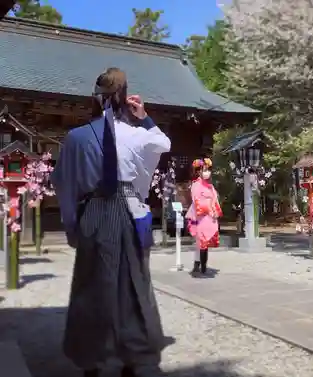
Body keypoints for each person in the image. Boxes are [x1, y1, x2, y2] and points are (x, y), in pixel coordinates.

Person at [51, 68, 171, 377]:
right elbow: (164, 144)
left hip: (93, 211)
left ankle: (91, 360)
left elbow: (64, 184)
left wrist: (71, 224)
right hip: (127, 210)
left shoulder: (76, 138)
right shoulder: (138, 134)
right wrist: (144, 117)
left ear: (96, 97)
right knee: (130, 285)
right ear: (124, 98)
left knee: (91, 287)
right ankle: (130, 357)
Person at [185, 158, 222, 275]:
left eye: (208, 170)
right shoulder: (195, 185)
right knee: (201, 240)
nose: (207, 172)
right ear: (198, 171)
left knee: (203, 241)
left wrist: (215, 210)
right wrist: (207, 209)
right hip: (199, 214)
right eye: (205, 170)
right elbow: (197, 200)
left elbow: (215, 199)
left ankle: (199, 265)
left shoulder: (210, 186)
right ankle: (200, 266)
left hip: (209, 215)